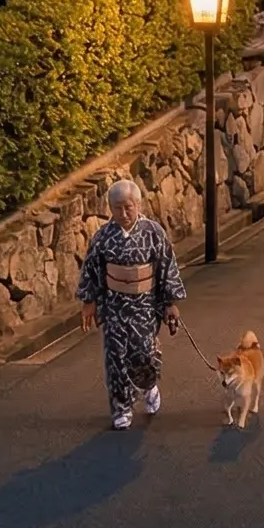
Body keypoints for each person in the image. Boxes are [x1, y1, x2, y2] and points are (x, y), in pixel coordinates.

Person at [75, 179, 186, 429]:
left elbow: (166, 266)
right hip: (115, 304)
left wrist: (170, 302)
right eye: (117, 208)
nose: (123, 214)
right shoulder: (103, 237)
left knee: (144, 354)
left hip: (144, 305)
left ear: (138, 204)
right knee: (115, 357)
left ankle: (148, 385)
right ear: (110, 208)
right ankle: (122, 406)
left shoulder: (153, 232)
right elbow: (91, 269)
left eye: (128, 207)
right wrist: (89, 301)